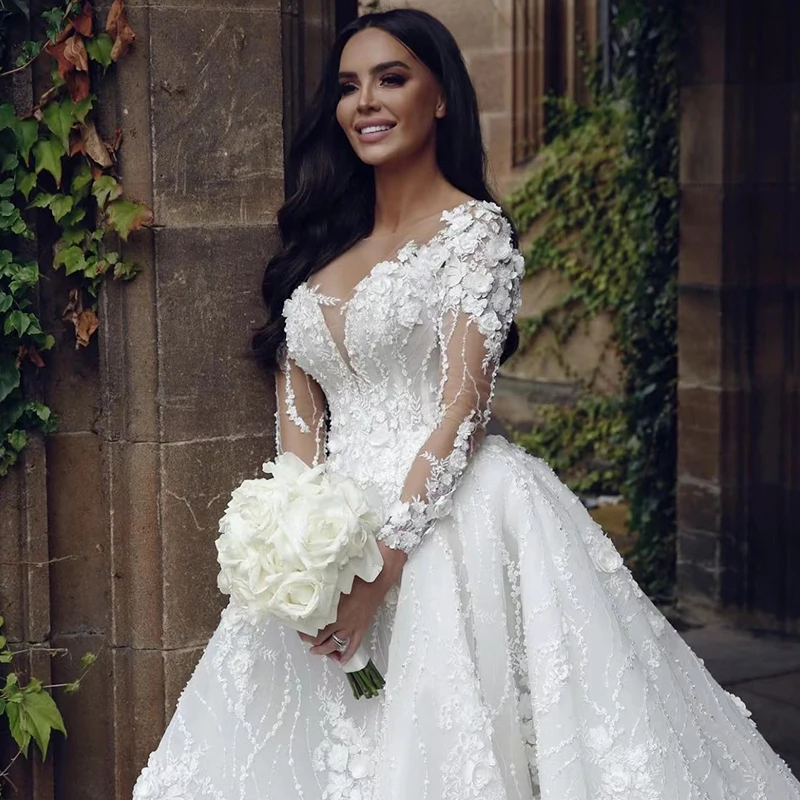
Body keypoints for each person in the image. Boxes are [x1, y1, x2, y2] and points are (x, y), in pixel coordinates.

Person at [132, 8, 800, 800]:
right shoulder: (316, 248)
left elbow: (462, 410)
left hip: (452, 522)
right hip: (332, 527)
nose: (366, 103)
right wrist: (292, 551)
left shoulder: (474, 233)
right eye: (349, 87)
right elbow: (299, 425)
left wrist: (379, 568)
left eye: (392, 78)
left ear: (440, 96)